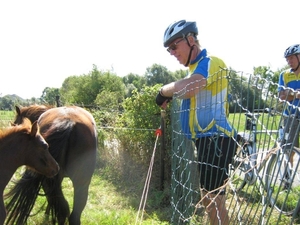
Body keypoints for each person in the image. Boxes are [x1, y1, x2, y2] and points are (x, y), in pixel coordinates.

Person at [155, 20, 237, 225]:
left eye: (174, 46)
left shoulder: (210, 61)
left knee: (213, 201)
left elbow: (192, 87)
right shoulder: (193, 69)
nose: (172, 52)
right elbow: (190, 90)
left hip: (216, 140)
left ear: (191, 39)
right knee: (210, 199)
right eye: (168, 49)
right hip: (206, 140)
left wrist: (164, 91)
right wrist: (173, 96)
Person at [278, 44, 300, 172]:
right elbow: (281, 96)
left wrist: (289, 93)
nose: (289, 61)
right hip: (290, 115)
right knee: (289, 148)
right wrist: (296, 94)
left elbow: (286, 94)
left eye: (292, 58)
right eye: (287, 59)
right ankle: (288, 177)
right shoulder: (284, 75)